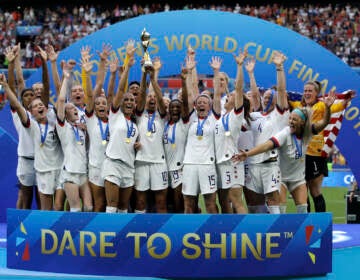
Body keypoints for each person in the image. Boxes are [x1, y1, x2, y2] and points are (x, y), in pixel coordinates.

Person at [233, 91, 336, 213]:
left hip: (298, 179)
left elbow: (324, 123)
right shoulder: (285, 133)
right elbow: (266, 146)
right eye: (290, 118)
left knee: (303, 209)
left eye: (295, 119)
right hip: (281, 177)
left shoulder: (307, 133)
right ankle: (279, 230)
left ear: (302, 122)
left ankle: (302, 232)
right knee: (280, 209)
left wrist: (328, 109)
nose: (291, 121)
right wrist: (247, 154)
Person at [1, 74, 64, 211]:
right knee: (26, 198)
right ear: (30, 110)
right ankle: (24, 226)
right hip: (35, 165)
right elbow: (17, 104)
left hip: (54, 167)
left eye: (41, 104)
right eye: (35, 105)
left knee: (54, 204)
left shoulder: (54, 118)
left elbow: (56, 94)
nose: (39, 106)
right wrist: (6, 86)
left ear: (46, 107)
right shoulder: (30, 123)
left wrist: (49, 63)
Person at [289, 81, 354, 212]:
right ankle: (306, 223)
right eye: (305, 90)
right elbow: (281, 97)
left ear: (316, 93)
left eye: (310, 91)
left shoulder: (321, 106)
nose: (307, 93)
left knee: (315, 190)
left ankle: (321, 225)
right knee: (302, 190)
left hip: (315, 155)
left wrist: (345, 100)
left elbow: (339, 107)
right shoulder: (297, 106)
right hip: (300, 155)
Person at [242, 51, 289, 214]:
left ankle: (277, 228)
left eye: (271, 97)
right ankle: (257, 232)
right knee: (254, 202)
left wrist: (279, 67)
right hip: (253, 164)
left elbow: (282, 90)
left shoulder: (280, 115)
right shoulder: (254, 116)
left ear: (277, 100)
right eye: (266, 97)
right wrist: (247, 72)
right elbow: (252, 97)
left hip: (271, 164)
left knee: (272, 199)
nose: (267, 98)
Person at [101, 42, 139, 213]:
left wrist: (136, 146)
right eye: (127, 100)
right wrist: (128, 63)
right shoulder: (115, 115)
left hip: (129, 166)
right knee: (112, 206)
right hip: (113, 164)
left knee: (124, 207)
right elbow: (121, 91)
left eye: (132, 100)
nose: (129, 102)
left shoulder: (134, 124)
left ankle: (121, 239)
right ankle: (111, 239)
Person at [212, 52, 247, 214]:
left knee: (236, 201)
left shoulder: (236, 114)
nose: (228, 96)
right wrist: (216, 73)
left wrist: (240, 66)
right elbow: (216, 92)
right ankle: (230, 233)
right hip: (220, 162)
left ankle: (244, 234)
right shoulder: (221, 117)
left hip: (232, 161)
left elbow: (239, 88)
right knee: (226, 202)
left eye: (231, 96)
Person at [56, 64, 93, 212]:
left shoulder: (82, 127)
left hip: (83, 172)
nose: (74, 109)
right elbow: (60, 101)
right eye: (70, 108)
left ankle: (85, 234)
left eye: (74, 107)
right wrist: (65, 78)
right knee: (76, 208)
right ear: (64, 114)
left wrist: (87, 131)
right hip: (70, 172)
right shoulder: (63, 126)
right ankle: (73, 235)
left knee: (89, 208)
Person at [134, 61, 168, 213]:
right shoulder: (139, 114)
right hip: (141, 161)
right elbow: (142, 94)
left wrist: (153, 78)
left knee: (161, 202)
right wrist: (143, 74)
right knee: (140, 202)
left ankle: (164, 231)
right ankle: (138, 234)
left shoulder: (161, 116)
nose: (152, 99)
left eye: (154, 97)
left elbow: (161, 100)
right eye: (150, 97)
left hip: (159, 162)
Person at [163, 66, 191, 213]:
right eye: (172, 107)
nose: (175, 109)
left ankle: (181, 228)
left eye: (177, 107)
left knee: (178, 200)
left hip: (179, 168)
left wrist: (183, 81)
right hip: (164, 167)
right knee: (168, 202)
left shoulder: (184, 122)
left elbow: (185, 102)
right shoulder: (166, 125)